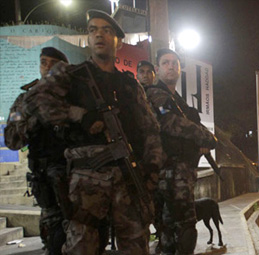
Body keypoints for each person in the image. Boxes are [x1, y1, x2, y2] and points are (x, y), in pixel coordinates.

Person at [21, 9, 164, 254]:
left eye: (107, 31)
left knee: (136, 246)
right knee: (81, 247)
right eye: (93, 30)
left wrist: (151, 174)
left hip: (129, 179)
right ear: (88, 38)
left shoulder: (131, 86)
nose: (99, 35)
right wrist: (79, 115)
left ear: (118, 41)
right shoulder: (70, 76)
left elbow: (151, 131)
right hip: (86, 182)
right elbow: (36, 101)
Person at [145, 48, 217, 255]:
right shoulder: (155, 94)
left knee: (169, 227)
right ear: (157, 69)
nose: (171, 66)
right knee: (185, 225)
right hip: (169, 171)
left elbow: (188, 123)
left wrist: (199, 141)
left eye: (175, 63)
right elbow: (171, 124)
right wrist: (206, 138)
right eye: (166, 63)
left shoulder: (178, 101)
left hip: (178, 171)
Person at [4, 47, 69, 255]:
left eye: (53, 62)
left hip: (78, 180)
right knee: (54, 240)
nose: (47, 67)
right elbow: (12, 140)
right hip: (47, 182)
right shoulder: (26, 100)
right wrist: (32, 116)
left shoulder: (76, 96)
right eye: (43, 62)